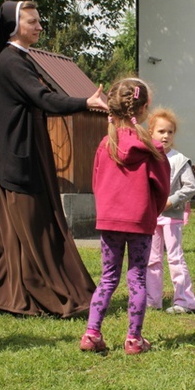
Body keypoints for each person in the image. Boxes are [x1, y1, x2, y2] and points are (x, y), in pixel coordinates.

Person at [0, 0, 108, 318]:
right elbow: (43, 99)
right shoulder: (11, 61)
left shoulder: (15, 59)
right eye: (33, 22)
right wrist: (86, 102)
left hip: (16, 156)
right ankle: (33, 293)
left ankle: (9, 295)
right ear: (15, 24)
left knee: (20, 231)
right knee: (35, 228)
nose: (40, 27)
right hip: (16, 160)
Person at [80, 78, 170, 355]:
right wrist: (151, 212)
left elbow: (96, 183)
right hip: (140, 221)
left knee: (108, 278)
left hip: (109, 221)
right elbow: (162, 187)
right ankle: (134, 339)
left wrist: (107, 211)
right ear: (144, 110)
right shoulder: (152, 149)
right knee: (137, 278)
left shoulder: (105, 144)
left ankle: (92, 333)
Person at [146, 108, 195, 315]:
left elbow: (191, 186)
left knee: (175, 257)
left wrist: (171, 201)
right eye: (161, 131)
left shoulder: (179, 160)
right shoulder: (147, 156)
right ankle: (152, 300)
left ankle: (185, 301)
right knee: (152, 259)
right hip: (151, 216)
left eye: (170, 132)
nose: (166, 136)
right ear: (151, 132)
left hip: (171, 216)